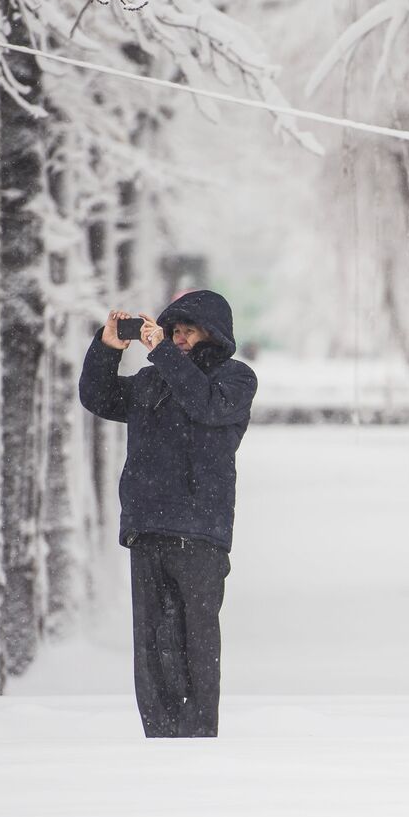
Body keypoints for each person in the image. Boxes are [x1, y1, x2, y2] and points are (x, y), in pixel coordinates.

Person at [79, 289, 258, 738]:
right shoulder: (151, 382)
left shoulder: (235, 380)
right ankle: (160, 738)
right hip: (148, 528)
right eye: (173, 331)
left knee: (195, 643)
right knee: (152, 645)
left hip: (201, 533)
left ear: (212, 335)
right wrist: (106, 348)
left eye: (187, 331)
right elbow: (97, 397)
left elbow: (203, 404)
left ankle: (198, 737)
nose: (177, 339)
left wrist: (160, 352)